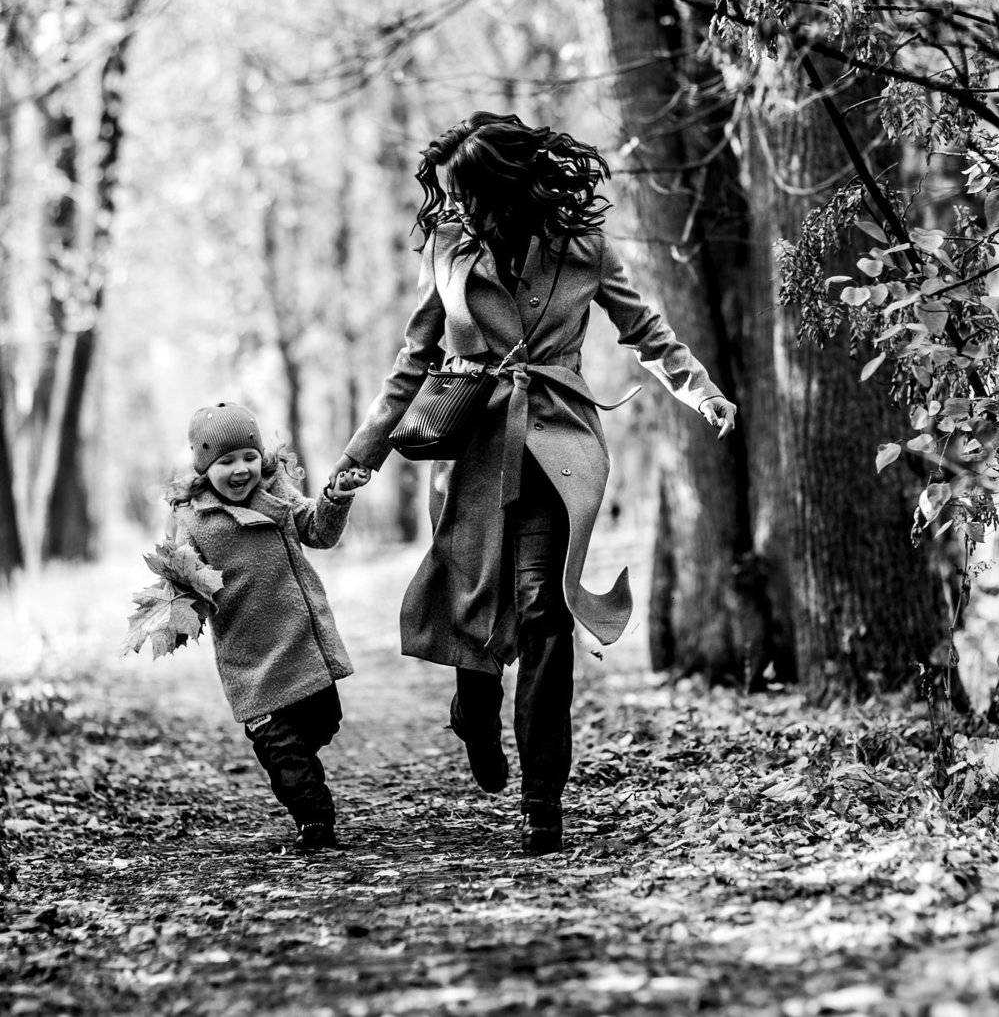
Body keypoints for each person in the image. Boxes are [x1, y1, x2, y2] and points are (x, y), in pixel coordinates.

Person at [329, 113, 736, 856]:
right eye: (451, 195)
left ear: (506, 188)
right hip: (473, 450)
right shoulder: (447, 247)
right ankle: (475, 714)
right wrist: (362, 458)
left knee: (546, 612)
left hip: (556, 445)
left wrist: (699, 390)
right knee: (476, 609)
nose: (458, 206)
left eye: (469, 193)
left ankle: (542, 798)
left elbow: (645, 330)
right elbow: (413, 361)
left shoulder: (582, 246)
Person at [165, 401, 369, 852]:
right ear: (203, 467)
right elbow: (182, 578)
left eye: (249, 456)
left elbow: (319, 531)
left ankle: (298, 766)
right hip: (250, 663)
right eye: (226, 461)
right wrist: (179, 593)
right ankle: (314, 821)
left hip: (302, 645)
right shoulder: (193, 520)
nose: (241, 469)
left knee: (324, 723)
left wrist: (336, 497)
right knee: (283, 751)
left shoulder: (276, 493)